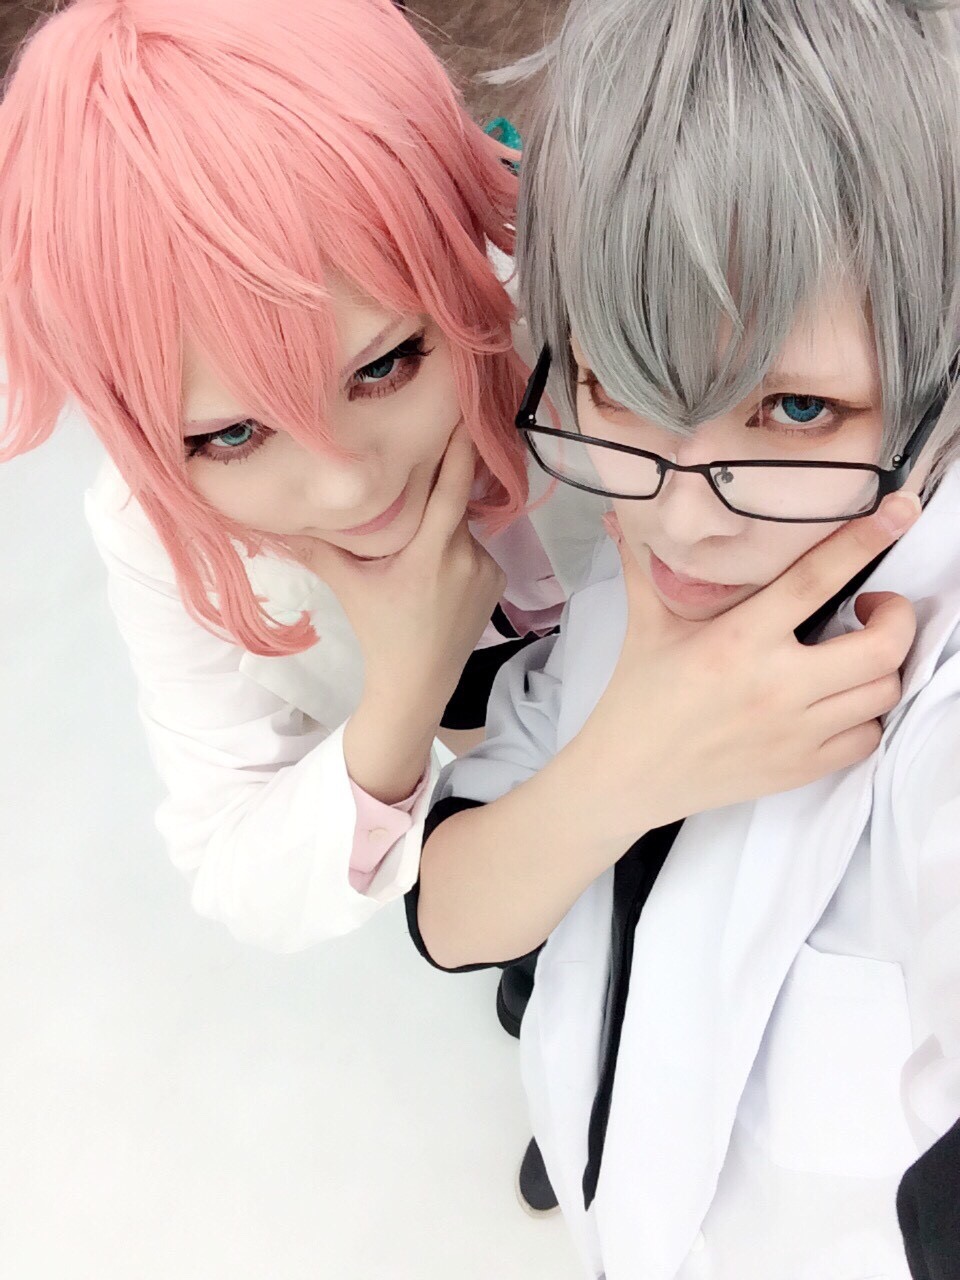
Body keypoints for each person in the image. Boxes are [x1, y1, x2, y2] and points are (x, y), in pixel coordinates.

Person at [411, 0, 960, 1274]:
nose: (682, 518)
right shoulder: (629, 581)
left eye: (797, 407)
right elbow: (452, 914)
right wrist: (635, 766)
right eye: (618, 380)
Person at [0, 0, 602, 966]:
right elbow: (234, 862)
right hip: (524, 898)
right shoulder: (157, 526)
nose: (344, 488)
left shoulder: (581, 312)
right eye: (233, 434)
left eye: (385, 365)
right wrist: (403, 696)